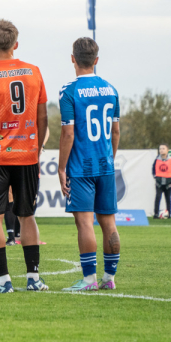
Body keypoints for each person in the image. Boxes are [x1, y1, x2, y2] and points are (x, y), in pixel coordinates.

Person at [0, 19, 49, 293]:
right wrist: (35, 151)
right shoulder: (35, 72)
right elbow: (42, 119)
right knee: (27, 215)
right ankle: (33, 278)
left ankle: (4, 281)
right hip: (27, 156)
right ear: (15, 44)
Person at [58, 37, 121, 292]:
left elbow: (68, 134)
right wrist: (110, 159)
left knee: (84, 223)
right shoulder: (111, 89)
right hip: (105, 165)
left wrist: (61, 168)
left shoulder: (69, 91)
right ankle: (109, 278)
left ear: (73, 58)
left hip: (80, 167)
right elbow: (116, 132)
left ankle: (88, 280)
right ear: (96, 60)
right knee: (109, 224)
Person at [152, 144, 171, 219]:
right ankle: (156, 214)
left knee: (168, 198)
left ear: (167, 150)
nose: (161, 150)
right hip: (159, 183)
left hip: (168, 183)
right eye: (160, 149)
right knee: (158, 197)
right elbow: (153, 169)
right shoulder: (157, 160)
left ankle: (169, 213)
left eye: (163, 148)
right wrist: (155, 177)